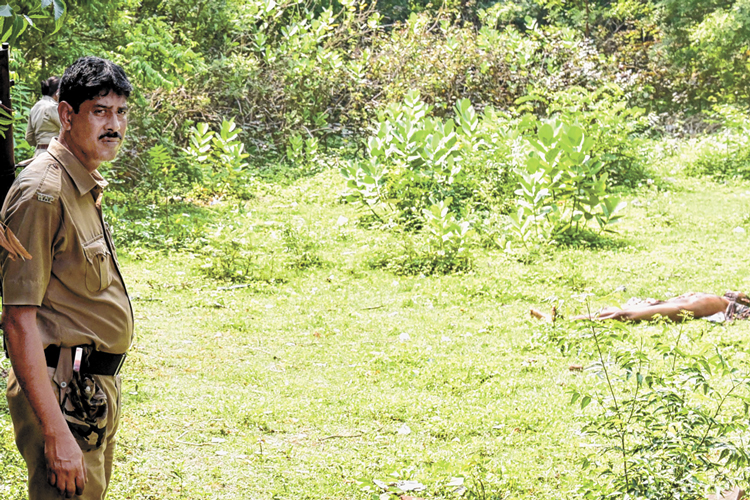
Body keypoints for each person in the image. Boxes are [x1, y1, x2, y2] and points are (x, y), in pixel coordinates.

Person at [1, 57, 133, 500]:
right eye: (100, 111)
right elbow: (19, 321)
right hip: (63, 395)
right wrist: (56, 433)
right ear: (66, 114)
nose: (113, 124)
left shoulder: (81, 184)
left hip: (90, 391)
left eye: (120, 112)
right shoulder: (43, 192)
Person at [531, 291, 750, 323]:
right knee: (624, 313)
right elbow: (738, 296)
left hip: (708, 305)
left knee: (624, 314)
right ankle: (565, 321)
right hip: (709, 303)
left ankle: (566, 322)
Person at [25, 76, 62, 157]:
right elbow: (67, 128)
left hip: (38, 154)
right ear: (57, 92)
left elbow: (29, 137)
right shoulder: (53, 107)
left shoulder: (34, 108)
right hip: (54, 154)